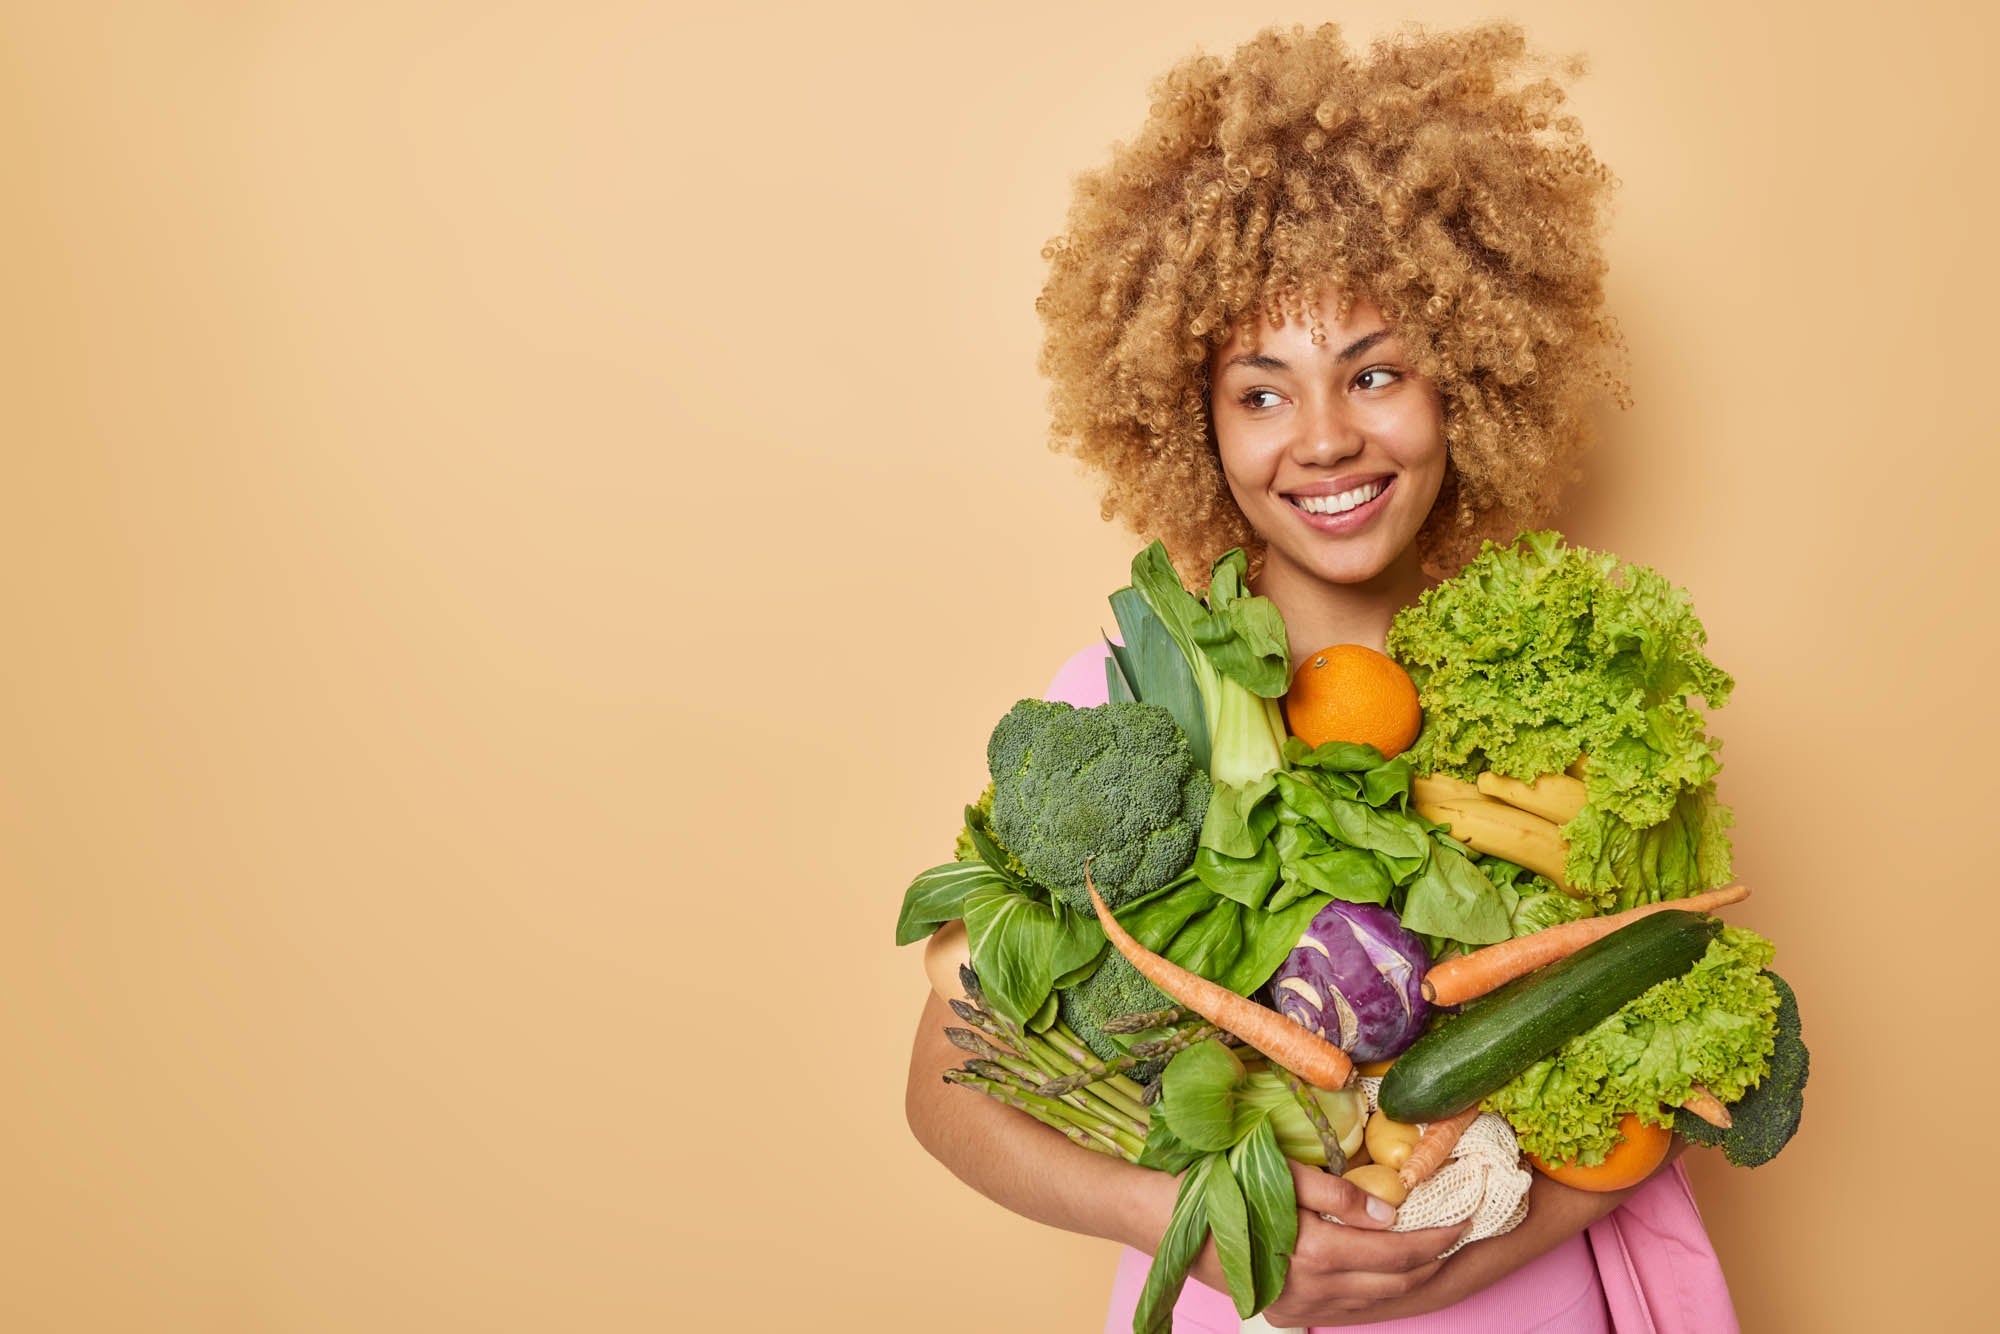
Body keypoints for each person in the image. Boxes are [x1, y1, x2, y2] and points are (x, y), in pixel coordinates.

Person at [906, 22, 1736, 1331]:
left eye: (1376, 371)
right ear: (1193, 415)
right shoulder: (1126, 694)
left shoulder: (1567, 683)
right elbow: (944, 1087)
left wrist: (1444, 1264)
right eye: (1263, 391)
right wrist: (1187, 1220)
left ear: (1467, 376)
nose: (1329, 437)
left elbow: (1686, 1054)